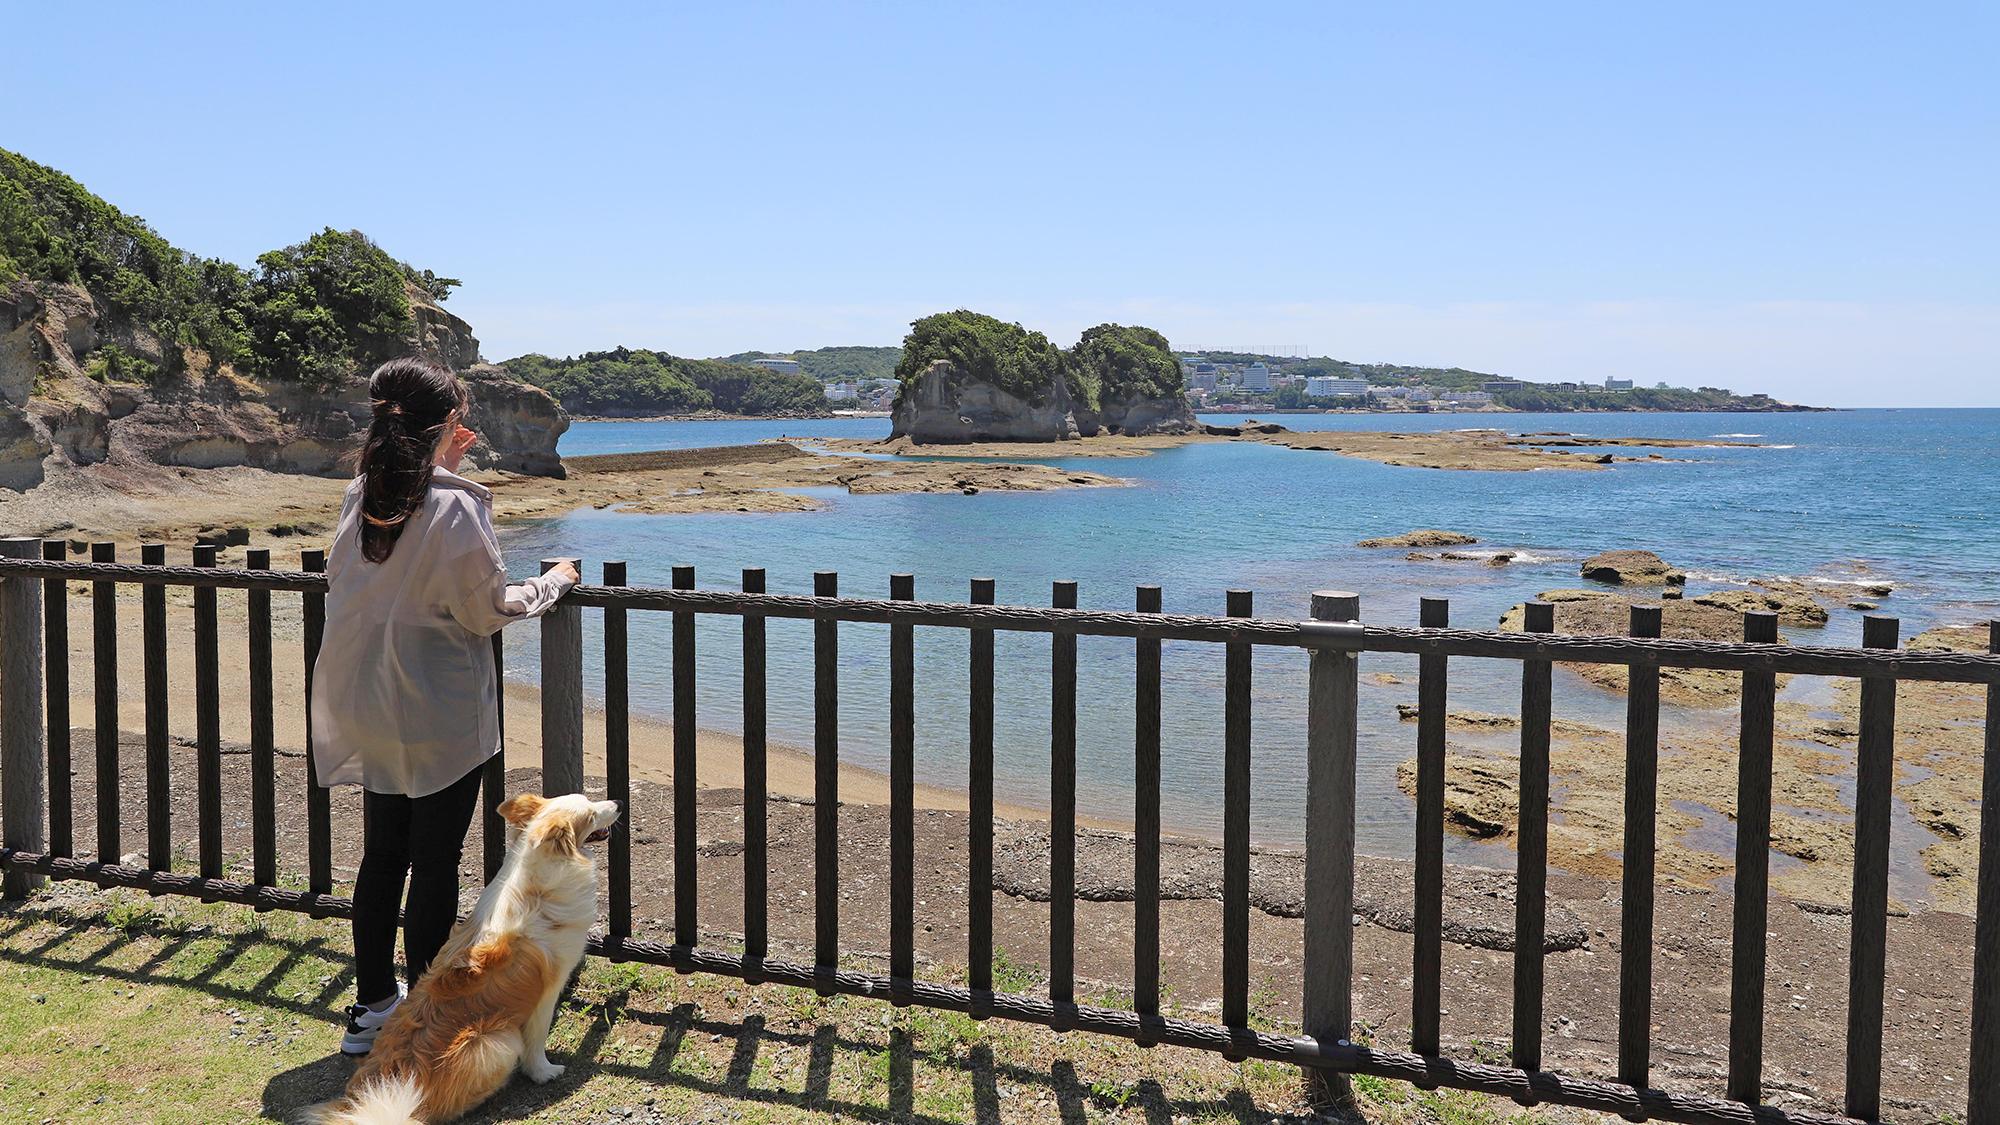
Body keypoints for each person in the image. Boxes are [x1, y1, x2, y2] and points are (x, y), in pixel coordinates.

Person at [309, 356, 580, 1055]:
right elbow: (485, 609)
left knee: (382, 854)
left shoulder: (363, 492)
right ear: (449, 423)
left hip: (368, 699)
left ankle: (372, 1008)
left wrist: (441, 453)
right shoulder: (456, 502)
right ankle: (424, 1015)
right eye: (458, 422)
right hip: (434, 707)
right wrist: (551, 582)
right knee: (433, 862)